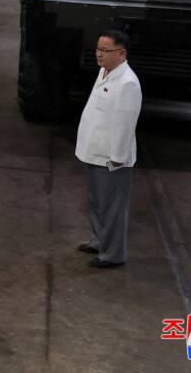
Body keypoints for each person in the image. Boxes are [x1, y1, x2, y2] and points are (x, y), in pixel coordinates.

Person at [75, 29, 143, 269]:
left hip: (111, 160)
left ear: (122, 53)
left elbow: (125, 125)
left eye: (105, 50)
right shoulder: (105, 72)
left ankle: (113, 254)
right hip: (95, 152)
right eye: (98, 49)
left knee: (112, 208)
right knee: (96, 202)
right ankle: (99, 240)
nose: (99, 54)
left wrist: (117, 159)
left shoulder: (127, 84)